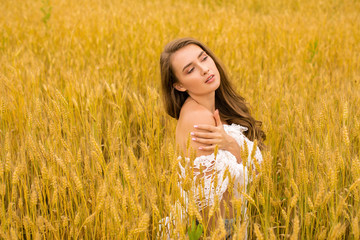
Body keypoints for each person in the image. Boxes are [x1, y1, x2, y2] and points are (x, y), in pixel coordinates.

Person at [159, 37, 266, 238]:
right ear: (180, 85)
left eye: (204, 58)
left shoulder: (211, 109)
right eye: (190, 70)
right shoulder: (199, 119)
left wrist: (230, 144)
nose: (204, 69)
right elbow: (206, 202)